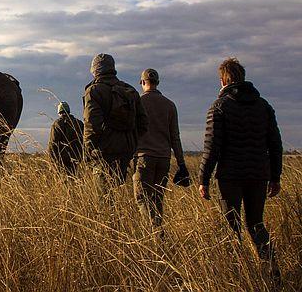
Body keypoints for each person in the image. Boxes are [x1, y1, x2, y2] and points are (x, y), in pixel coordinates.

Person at [198, 58, 282, 283]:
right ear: (242, 77)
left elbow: (211, 147)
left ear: (223, 80)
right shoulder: (263, 106)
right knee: (256, 224)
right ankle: (272, 272)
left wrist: (203, 179)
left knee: (231, 227)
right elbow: (275, 144)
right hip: (258, 174)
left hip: (230, 177)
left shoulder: (220, 107)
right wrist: (275, 177)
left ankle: (237, 276)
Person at [133, 69, 190, 227]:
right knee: (157, 199)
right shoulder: (170, 105)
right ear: (157, 83)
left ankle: (154, 233)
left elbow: (132, 132)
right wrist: (181, 163)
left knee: (142, 198)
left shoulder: (138, 103)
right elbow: (175, 137)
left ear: (143, 83)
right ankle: (158, 233)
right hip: (164, 159)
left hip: (144, 158)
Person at [83, 53, 148, 185]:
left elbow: (91, 124)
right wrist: (131, 143)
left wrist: (89, 150)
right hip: (126, 151)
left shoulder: (94, 91)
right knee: (118, 191)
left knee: (104, 199)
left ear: (95, 70)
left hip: (103, 152)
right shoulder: (130, 90)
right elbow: (143, 123)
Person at [48, 101, 84, 175]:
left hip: (63, 162)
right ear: (68, 111)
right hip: (78, 160)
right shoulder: (79, 123)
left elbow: (53, 144)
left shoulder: (57, 124)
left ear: (59, 112)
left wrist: (52, 162)